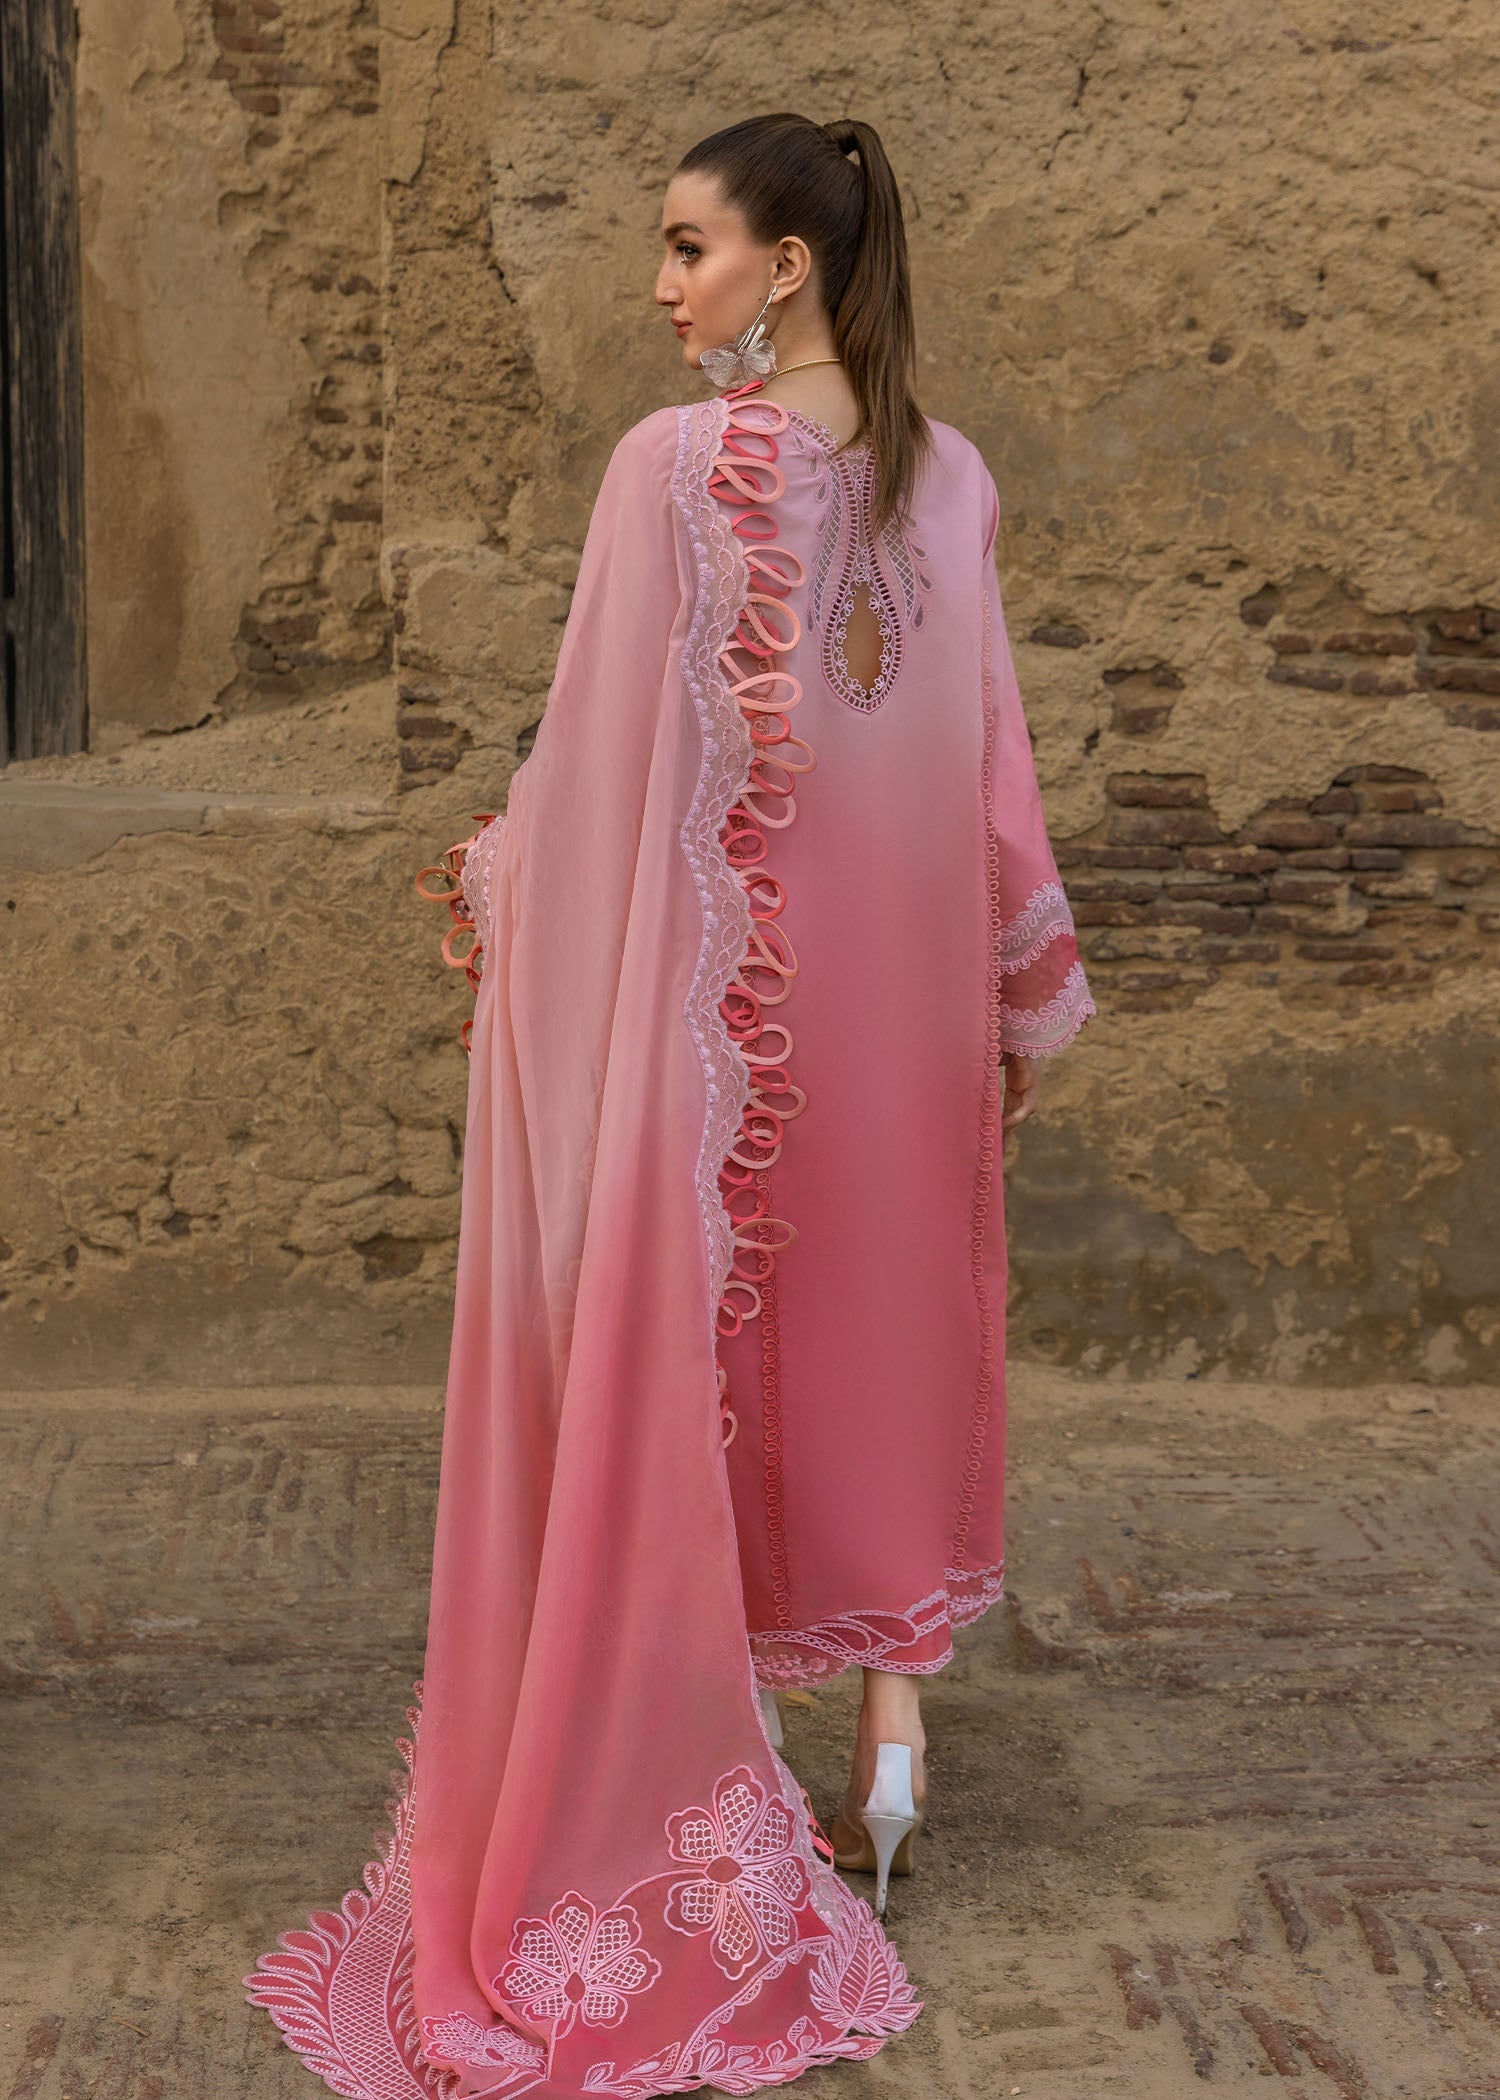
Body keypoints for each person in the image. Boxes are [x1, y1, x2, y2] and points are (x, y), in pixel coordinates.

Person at [244, 112, 1093, 2100]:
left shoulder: (672, 472)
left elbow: (600, 758)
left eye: (689, 247)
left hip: (727, 1033)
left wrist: (499, 877)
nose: (661, 286)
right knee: (884, 1342)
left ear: (787, 264)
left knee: (696, 1355)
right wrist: (1018, 991)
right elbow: (994, 772)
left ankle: (697, 1775)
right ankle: (892, 1751)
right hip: (899, 1017)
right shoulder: (951, 476)